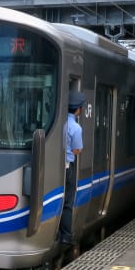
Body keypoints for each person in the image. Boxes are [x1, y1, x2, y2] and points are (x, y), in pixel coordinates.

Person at [59, 91, 85, 245]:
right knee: (68, 202)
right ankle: (66, 235)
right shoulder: (76, 127)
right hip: (69, 166)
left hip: (57, 165)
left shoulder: (61, 123)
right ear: (78, 110)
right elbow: (77, 150)